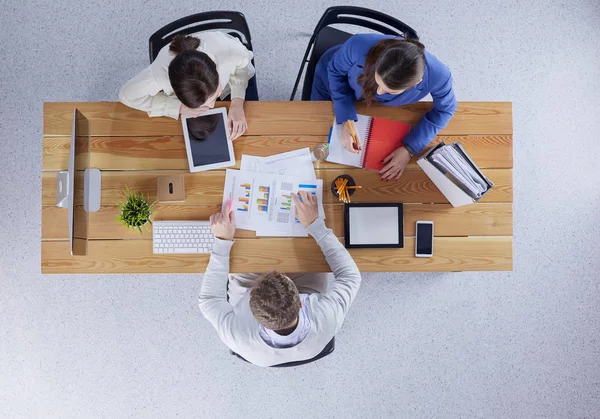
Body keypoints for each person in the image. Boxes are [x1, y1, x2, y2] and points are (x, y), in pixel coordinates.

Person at [198, 192, 362, 367]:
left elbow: (209, 300)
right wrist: (315, 225)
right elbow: (351, 276)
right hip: (306, 288)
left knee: (241, 258)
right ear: (300, 303)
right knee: (310, 253)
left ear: (252, 312)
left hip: (250, 288)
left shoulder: (236, 335)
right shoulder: (326, 318)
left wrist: (222, 241)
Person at [311, 34, 457, 181]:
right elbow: (335, 72)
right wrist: (346, 118)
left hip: (375, 108)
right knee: (314, 128)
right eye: (378, 80)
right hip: (332, 85)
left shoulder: (440, 76)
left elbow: (445, 109)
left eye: (389, 90)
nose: (378, 92)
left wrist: (409, 149)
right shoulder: (357, 45)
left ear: (416, 82)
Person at [119, 32, 256, 140]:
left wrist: (237, 103)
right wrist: (178, 107)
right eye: (205, 104)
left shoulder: (230, 51)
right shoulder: (160, 73)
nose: (212, 106)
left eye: (214, 97)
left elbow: (243, 66)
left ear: (217, 72)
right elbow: (126, 95)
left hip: (231, 84)